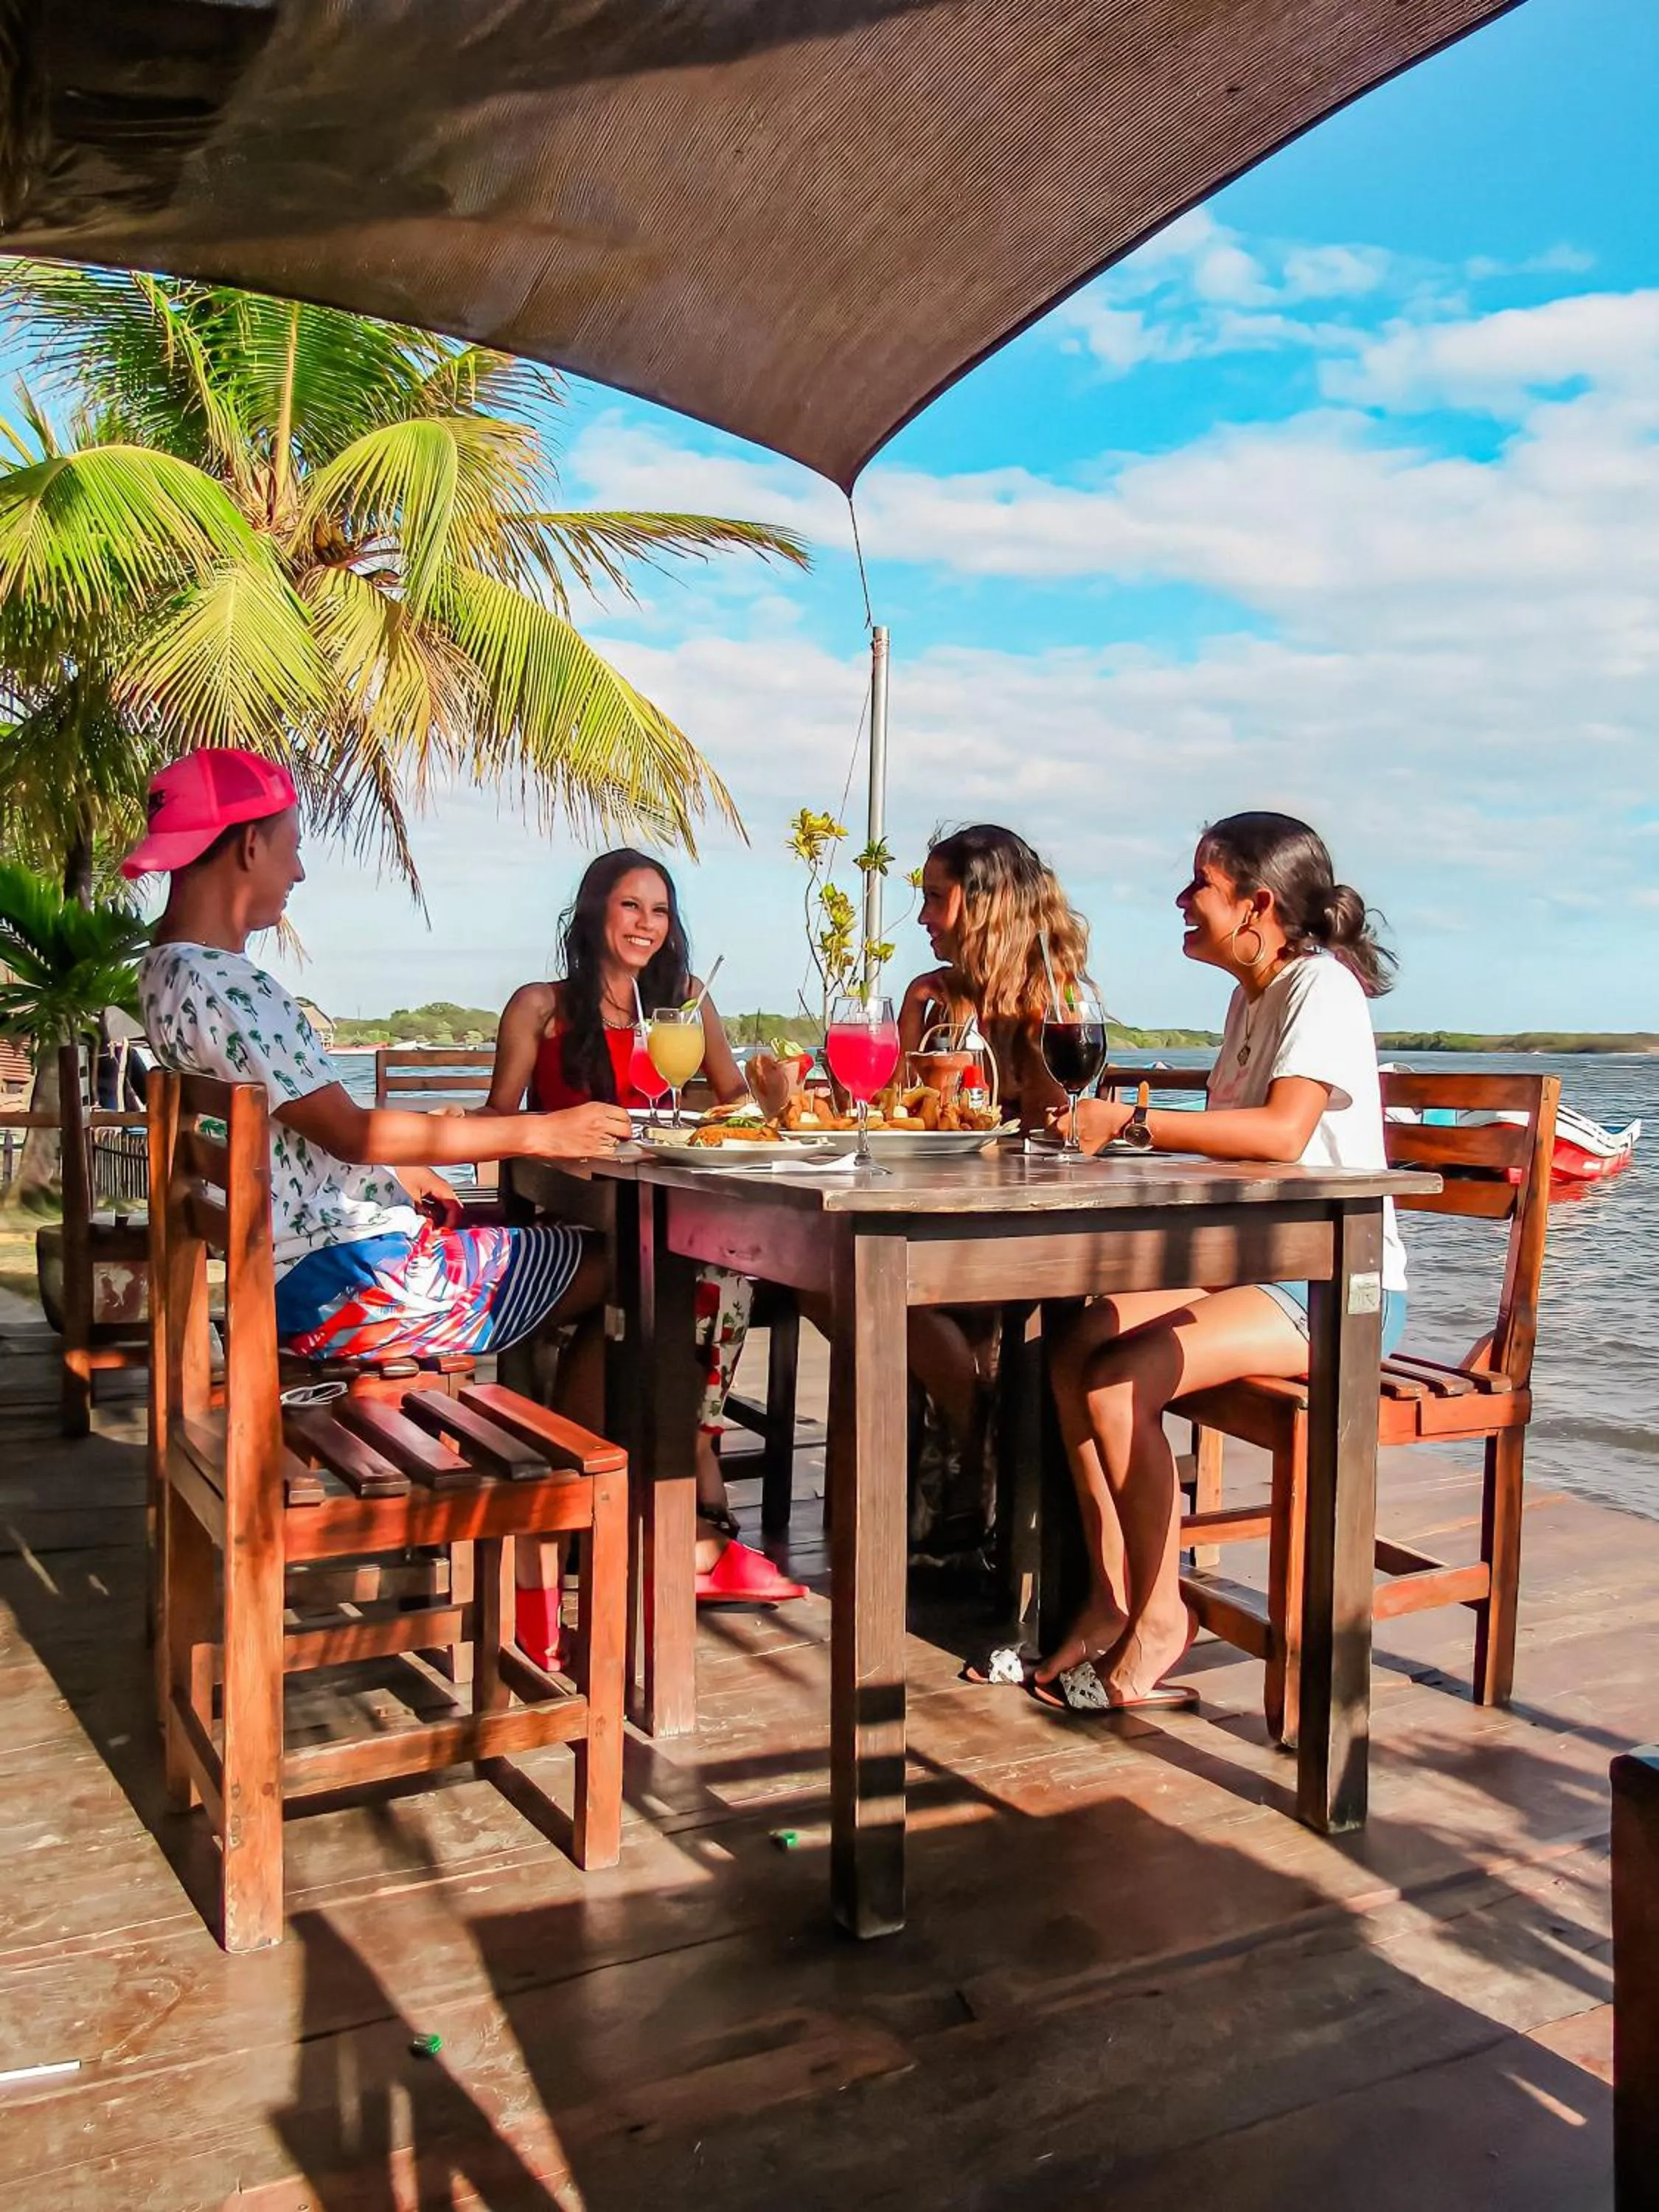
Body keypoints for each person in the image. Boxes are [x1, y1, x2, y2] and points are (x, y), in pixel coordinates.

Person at [125, 748, 632, 1674]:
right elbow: (348, 1128)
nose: (300, 870)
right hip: (345, 1284)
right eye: (290, 846)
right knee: (621, 1267)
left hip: (296, 1270)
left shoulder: (164, 975)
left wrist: (400, 1179)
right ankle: (546, 1548)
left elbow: (290, 1137)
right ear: (243, 849)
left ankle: (491, 1499)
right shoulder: (230, 982)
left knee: (540, 1251)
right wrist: (537, 1134)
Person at [1034, 811, 1408, 1713]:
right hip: (1253, 1268)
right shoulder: (1251, 996)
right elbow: (1226, 1153)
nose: (1182, 900)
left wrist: (1131, 1122)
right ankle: (1115, 1595)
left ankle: (1163, 1617)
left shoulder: (1322, 988)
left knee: (1120, 1379)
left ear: (1258, 905)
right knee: (1075, 1348)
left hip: (1334, 1284)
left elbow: (1280, 1135)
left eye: (1200, 883)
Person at [486, 848, 805, 1606]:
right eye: (631, 906)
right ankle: (689, 1500)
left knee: (721, 1267)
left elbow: (732, 1098)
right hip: (573, 1222)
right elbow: (502, 1122)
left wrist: (733, 1108)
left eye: (660, 911)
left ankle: (682, 1463)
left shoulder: (686, 1001)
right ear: (595, 910)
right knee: (666, 1280)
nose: (646, 924)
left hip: (660, 1219)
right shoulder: (541, 1006)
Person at [893, 825, 1094, 1488]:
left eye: (935, 898)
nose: (922, 916)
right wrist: (919, 1023)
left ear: (984, 905)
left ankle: (986, 1441)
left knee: (879, 1292)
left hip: (1035, 1231)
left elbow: (1055, 1119)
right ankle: (980, 1427)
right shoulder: (939, 996)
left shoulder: (1053, 999)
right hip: (953, 1215)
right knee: (839, 1278)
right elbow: (900, 1116)